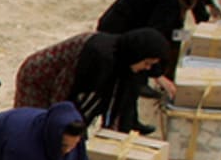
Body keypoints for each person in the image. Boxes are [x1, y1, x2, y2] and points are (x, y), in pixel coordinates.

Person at [12, 28, 173, 133]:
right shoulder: (99, 58)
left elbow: (120, 104)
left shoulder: (123, 60)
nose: (146, 68)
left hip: (63, 80)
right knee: (33, 126)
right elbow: (65, 94)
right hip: (40, 78)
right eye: (146, 63)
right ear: (137, 55)